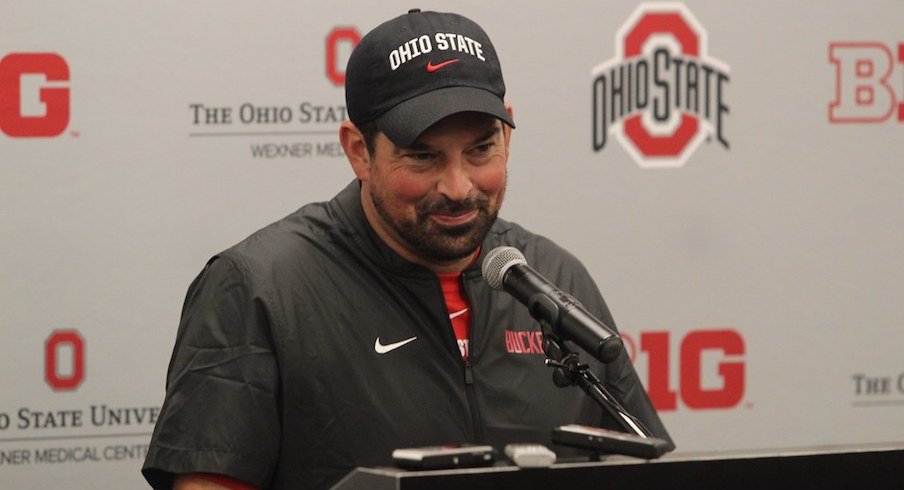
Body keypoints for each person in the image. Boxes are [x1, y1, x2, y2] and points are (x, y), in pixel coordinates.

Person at [142, 9, 673, 490]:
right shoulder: (259, 287)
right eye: (423, 157)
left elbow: (648, 465)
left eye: (481, 149)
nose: (459, 186)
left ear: (508, 135)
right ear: (359, 151)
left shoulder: (555, 277)